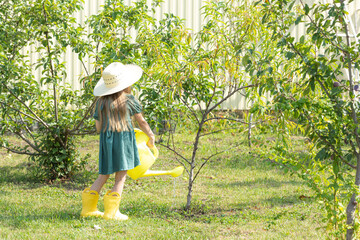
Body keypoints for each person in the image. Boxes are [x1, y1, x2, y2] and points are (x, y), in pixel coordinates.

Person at [80, 62, 155, 220]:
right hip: (123, 141)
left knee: (103, 175)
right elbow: (141, 121)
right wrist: (151, 136)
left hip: (106, 141)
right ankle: (112, 212)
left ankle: (88, 208)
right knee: (120, 176)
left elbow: (99, 127)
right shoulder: (128, 100)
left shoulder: (100, 102)